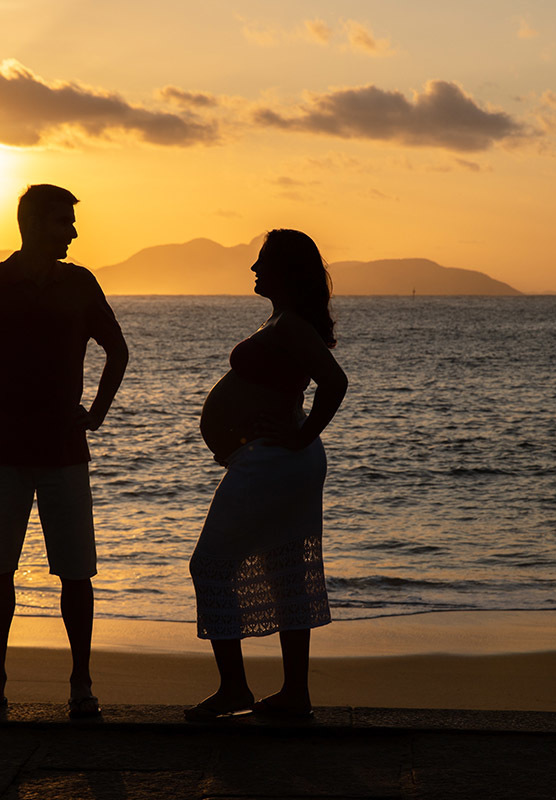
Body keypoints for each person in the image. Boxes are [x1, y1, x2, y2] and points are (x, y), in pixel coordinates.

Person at [0, 184, 128, 718]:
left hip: (64, 449)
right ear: (34, 223)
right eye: (64, 222)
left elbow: (118, 351)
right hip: (3, 450)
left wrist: (97, 414)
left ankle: (81, 686)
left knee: (76, 572)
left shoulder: (79, 284)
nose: (74, 232)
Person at [186, 228, 348, 721]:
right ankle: (292, 695)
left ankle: (237, 689)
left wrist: (299, 436)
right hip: (272, 460)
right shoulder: (281, 321)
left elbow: (334, 382)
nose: (253, 270)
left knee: (211, 565)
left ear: (286, 271)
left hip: (277, 461)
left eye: (261, 262)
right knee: (286, 573)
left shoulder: (292, 324)